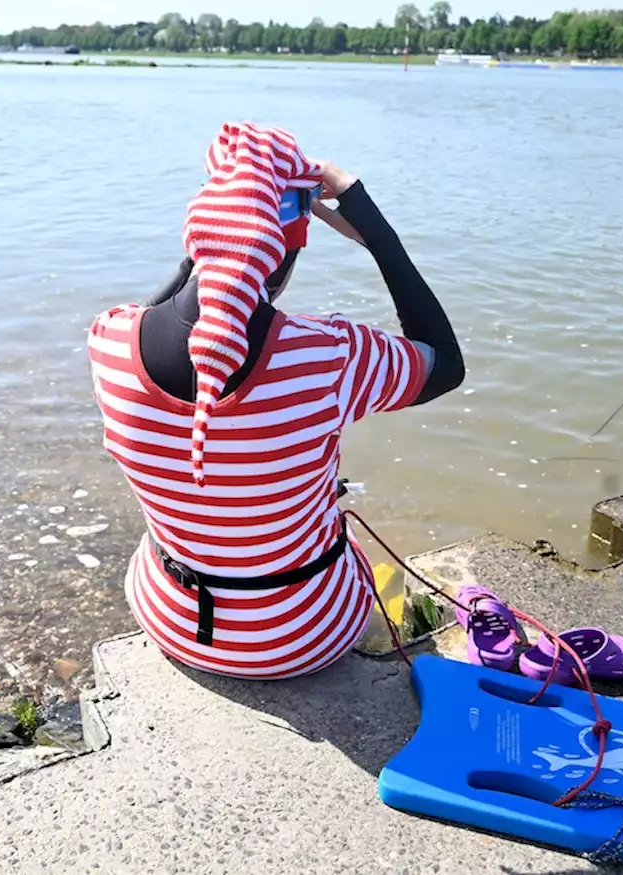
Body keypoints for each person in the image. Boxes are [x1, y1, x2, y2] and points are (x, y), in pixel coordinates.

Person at [87, 122, 464, 679]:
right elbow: (443, 365)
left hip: (171, 621)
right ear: (284, 254)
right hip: (305, 638)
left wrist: (211, 256)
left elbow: (154, 312)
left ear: (199, 234)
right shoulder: (329, 356)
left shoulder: (108, 340)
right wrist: (375, 231)